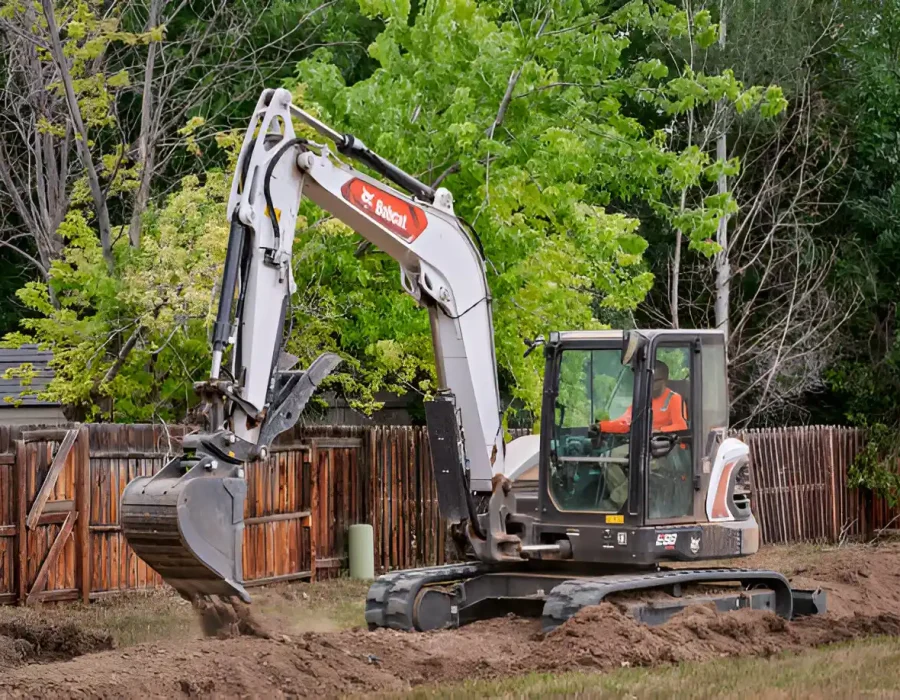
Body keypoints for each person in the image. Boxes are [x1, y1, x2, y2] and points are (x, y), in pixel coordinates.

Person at [594, 361, 687, 435]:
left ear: (666, 380)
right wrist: (601, 426)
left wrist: (659, 430)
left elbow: (681, 426)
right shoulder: (643, 399)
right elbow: (625, 422)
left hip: (667, 449)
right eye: (649, 381)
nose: (652, 385)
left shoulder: (674, 398)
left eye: (656, 381)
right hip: (644, 446)